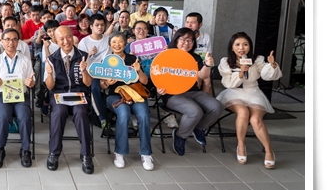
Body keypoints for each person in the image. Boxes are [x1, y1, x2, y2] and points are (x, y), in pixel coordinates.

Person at [216, 32, 282, 168]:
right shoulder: (225, 61)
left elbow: (266, 75)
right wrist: (240, 72)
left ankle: (269, 151)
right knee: (243, 113)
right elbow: (228, 83)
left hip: (253, 91)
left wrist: (272, 65)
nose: (241, 48)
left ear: (250, 47)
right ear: (232, 47)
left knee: (255, 120)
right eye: (238, 44)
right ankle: (241, 145)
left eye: (245, 44)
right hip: (234, 92)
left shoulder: (257, 59)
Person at [161, 28, 225, 156]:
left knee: (217, 107)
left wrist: (207, 65)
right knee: (195, 111)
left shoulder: (195, 57)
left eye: (189, 40)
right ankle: (180, 135)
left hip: (194, 92)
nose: (186, 42)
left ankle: (198, 127)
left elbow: (202, 75)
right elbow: (157, 75)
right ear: (176, 40)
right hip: (173, 94)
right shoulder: (167, 54)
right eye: (182, 39)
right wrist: (159, 88)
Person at [44, 26, 94, 174]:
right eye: (61, 39)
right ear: (56, 40)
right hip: (59, 95)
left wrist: (84, 71)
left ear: (73, 36)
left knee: (80, 113)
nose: (66, 41)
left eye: (68, 37)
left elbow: (88, 83)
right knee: (58, 113)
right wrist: (49, 74)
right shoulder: (52, 59)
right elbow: (50, 86)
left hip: (79, 94)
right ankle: (54, 153)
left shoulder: (83, 56)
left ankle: (86, 154)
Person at [103, 32, 154, 171]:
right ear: (110, 45)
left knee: (143, 115)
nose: (117, 44)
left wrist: (139, 71)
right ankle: (119, 152)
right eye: (114, 42)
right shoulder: (107, 60)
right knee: (124, 114)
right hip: (115, 96)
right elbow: (102, 86)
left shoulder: (133, 58)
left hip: (135, 95)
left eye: (120, 42)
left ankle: (146, 153)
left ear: (125, 44)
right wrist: (107, 83)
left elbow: (144, 82)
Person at [0, 28, 36, 168]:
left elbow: (31, 81)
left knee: (25, 117)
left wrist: (30, 83)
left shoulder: (25, 60)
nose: (11, 42)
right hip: (2, 96)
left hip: (21, 96)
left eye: (14, 39)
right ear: (2, 42)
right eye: (7, 39)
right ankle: (0, 149)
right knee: (2, 117)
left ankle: (25, 150)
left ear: (18, 41)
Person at [78, 14, 110, 127]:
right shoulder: (84, 42)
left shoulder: (108, 40)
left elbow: (110, 60)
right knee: (95, 87)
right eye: (97, 25)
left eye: (102, 25)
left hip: (106, 72)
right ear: (91, 26)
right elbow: (80, 63)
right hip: (90, 73)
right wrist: (88, 54)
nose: (100, 27)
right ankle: (102, 118)